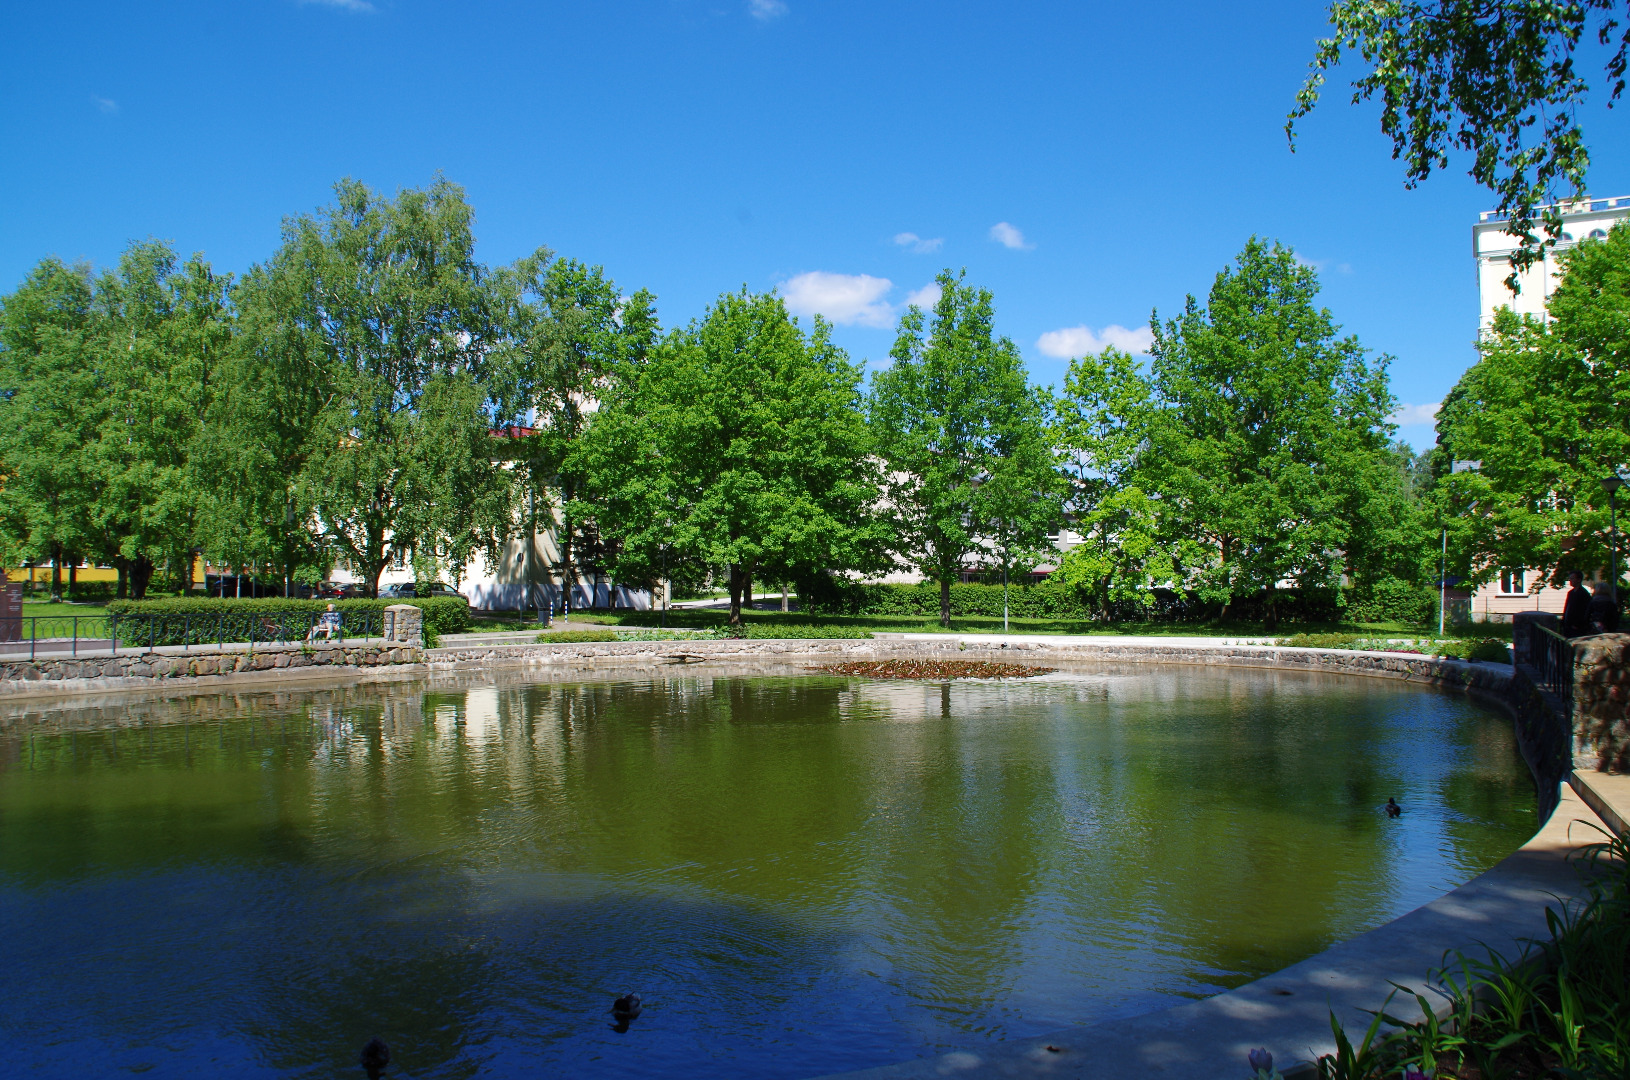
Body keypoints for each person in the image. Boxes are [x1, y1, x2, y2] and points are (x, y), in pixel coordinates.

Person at [1562, 570, 1593, 637]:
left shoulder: (1584, 594)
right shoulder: (1570, 593)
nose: (1570, 580)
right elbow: (1567, 608)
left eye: (1572, 578)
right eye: (1570, 578)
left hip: (1577, 628)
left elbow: (1585, 611)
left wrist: (1577, 624)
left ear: (1579, 580)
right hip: (1568, 626)